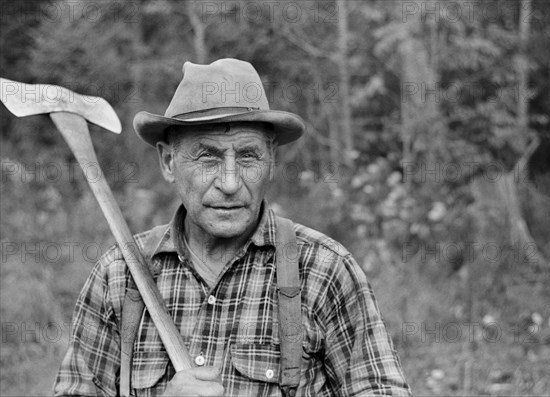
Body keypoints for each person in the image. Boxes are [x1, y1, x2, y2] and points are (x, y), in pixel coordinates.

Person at [54, 58, 411, 396]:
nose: (229, 182)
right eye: (207, 156)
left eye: (247, 156)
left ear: (271, 161)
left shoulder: (324, 271)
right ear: (168, 161)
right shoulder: (118, 277)